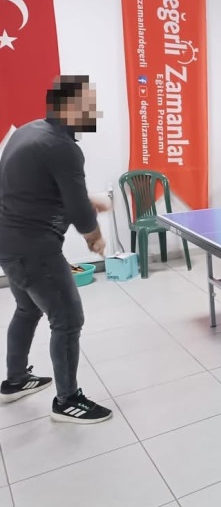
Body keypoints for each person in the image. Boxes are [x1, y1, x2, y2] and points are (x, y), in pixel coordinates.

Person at [0, 75, 113, 424]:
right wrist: (94, 236)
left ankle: (15, 380)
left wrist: (86, 202)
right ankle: (67, 400)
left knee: (27, 308)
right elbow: (79, 212)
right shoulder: (63, 146)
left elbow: (37, 188)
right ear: (69, 107)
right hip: (35, 248)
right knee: (67, 319)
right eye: (90, 105)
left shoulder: (28, 132)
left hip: (9, 242)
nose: (96, 112)